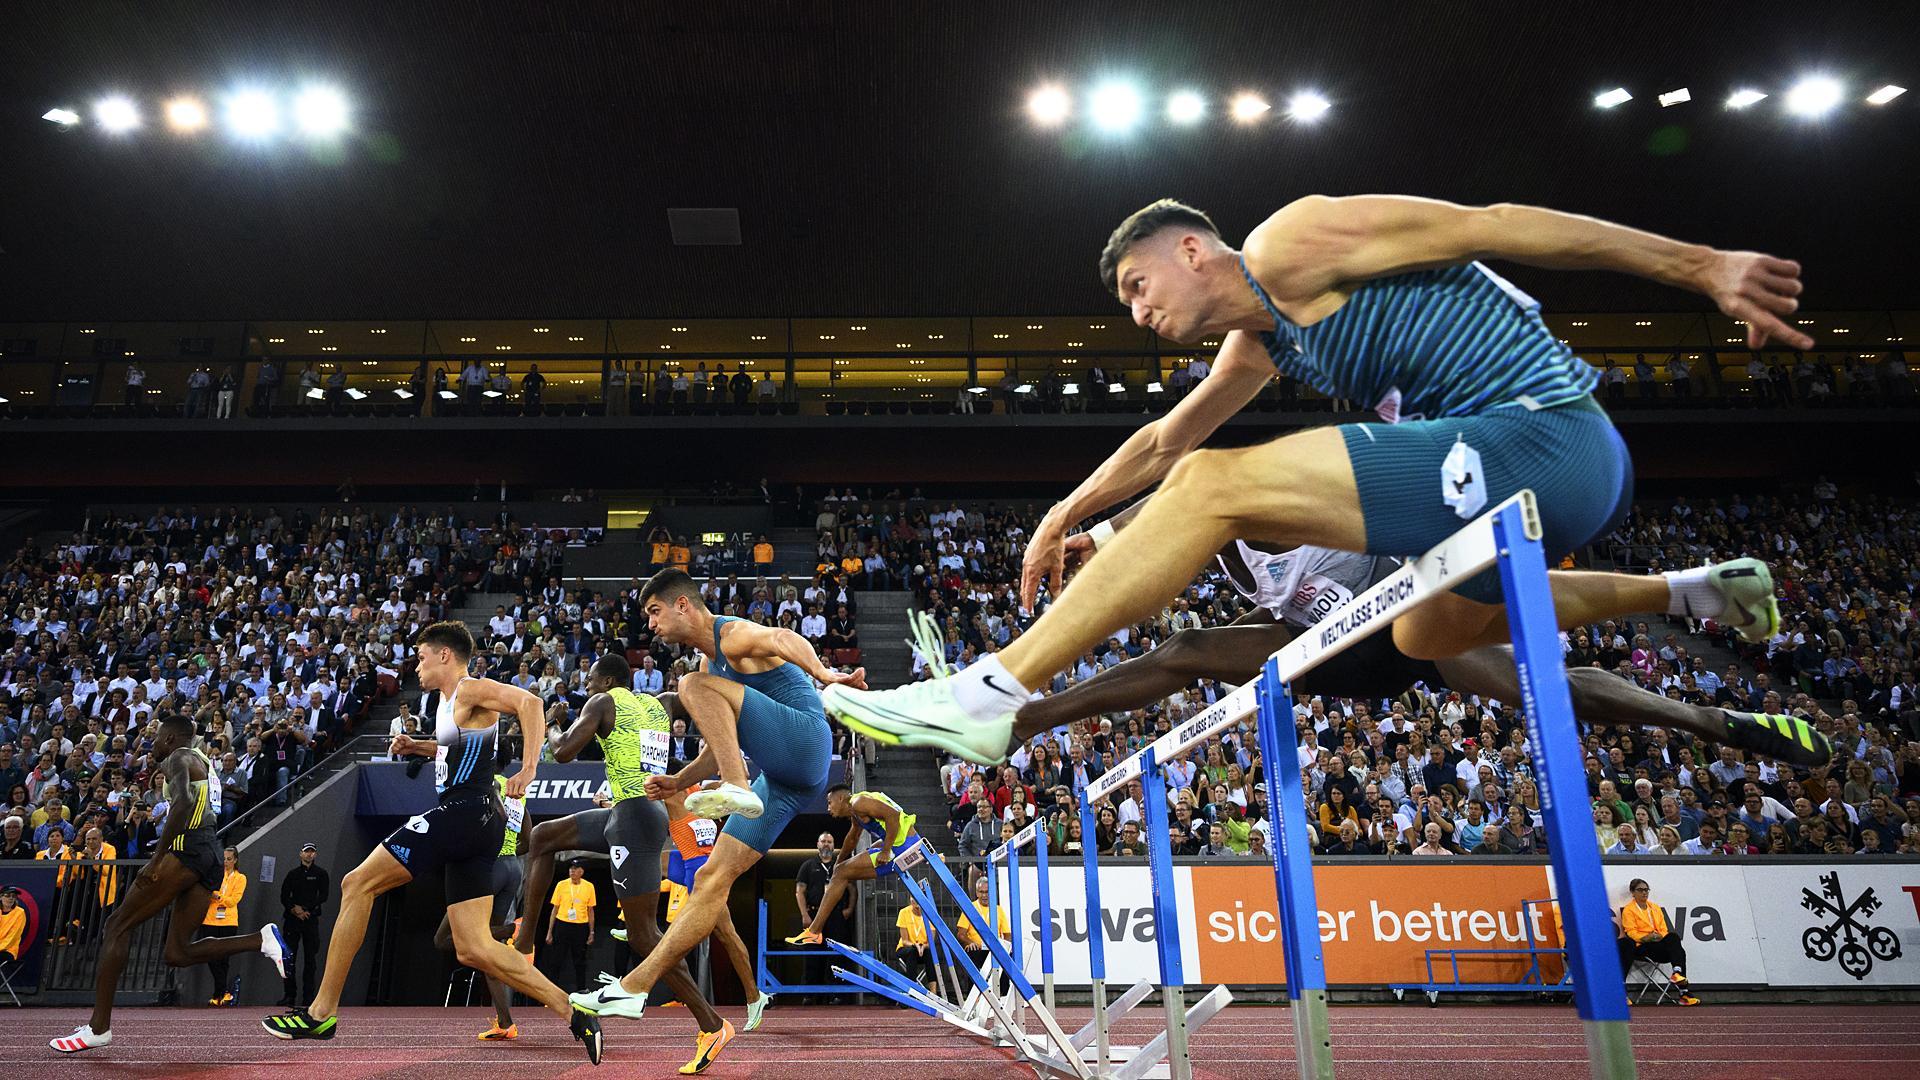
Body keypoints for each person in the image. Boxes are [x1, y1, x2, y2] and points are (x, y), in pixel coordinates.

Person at [821, 195, 1807, 764]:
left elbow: (1498, 221)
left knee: (1217, 485)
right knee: (1421, 629)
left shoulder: (1298, 242)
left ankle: (994, 694)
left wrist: (1702, 267)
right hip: (1533, 483)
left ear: (1193, 250)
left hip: (1544, 434)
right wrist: (1067, 511)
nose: (1136, 312)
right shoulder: (1261, 339)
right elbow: (1165, 440)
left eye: (1137, 286)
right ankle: (1690, 590)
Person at [991, 536, 1828, 767]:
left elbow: (1154, 525)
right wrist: (1089, 542)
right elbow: (1137, 535)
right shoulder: (1207, 537)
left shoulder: (1248, 503)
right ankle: (1029, 723)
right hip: (1329, 648)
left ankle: (1714, 714)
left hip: (1398, 617)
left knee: (1541, 682)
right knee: (1186, 646)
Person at [259, 621, 602, 1065]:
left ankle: (321, 1012)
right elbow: (452, 750)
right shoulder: (448, 705)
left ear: (444, 655)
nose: (415, 665)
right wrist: (416, 746)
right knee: (474, 947)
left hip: (463, 813)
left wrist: (530, 769)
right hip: (479, 824)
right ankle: (575, 1012)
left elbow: (531, 703)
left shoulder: (468, 688)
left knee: (356, 883)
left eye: (421, 656)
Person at [570, 569, 855, 1026]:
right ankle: (635, 987)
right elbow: (717, 745)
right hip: (786, 780)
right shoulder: (709, 670)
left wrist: (824, 673)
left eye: (655, 612)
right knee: (709, 879)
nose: (651, 625)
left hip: (805, 744)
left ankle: (737, 786)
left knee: (689, 686)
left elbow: (783, 636)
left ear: (683, 605)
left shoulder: (733, 636)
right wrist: (679, 782)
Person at [510, 656, 734, 1072]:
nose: (587, 685)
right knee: (542, 837)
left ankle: (712, 1023)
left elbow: (561, 753)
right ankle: (526, 942)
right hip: (623, 814)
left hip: (636, 819)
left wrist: (554, 719)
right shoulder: (662, 702)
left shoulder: (601, 702)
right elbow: (708, 705)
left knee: (644, 935)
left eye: (591, 679)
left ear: (609, 680)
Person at [50, 715, 289, 1053]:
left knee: (117, 925)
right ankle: (260, 939)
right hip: (210, 852)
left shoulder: (177, 757)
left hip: (185, 849)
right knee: (177, 952)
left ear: (173, 738)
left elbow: (186, 804)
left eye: (159, 737)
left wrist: (158, 856)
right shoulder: (200, 759)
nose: (154, 742)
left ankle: (98, 1027)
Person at [659, 771, 770, 1032]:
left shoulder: (675, 797)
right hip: (693, 867)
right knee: (650, 862)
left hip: (705, 876)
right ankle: (635, 924)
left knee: (727, 935)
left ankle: (754, 997)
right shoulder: (700, 788)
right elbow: (733, 780)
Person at [432, 771, 524, 1040]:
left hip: (488, 867)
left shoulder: (480, 781)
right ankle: (506, 1023)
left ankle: (510, 930)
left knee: (442, 938)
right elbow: (526, 835)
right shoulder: (516, 787)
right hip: (512, 868)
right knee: (488, 952)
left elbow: (478, 824)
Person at [785, 785, 919, 946]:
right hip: (902, 844)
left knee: (842, 874)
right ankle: (815, 931)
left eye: (829, 802)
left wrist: (886, 850)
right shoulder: (856, 812)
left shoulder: (859, 802)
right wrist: (838, 862)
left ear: (841, 798)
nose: (828, 808)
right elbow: (853, 837)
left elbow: (893, 815)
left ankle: (814, 931)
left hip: (904, 848)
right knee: (841, 871)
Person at [1617, 878, 1699, 1006]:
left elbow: (1663, 930)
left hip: (1657, 945)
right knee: (1626, 943)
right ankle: (1684, 992)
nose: (1644, 893)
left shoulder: (1655, 908)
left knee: (1673, 937)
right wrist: (1647, 937)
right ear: (1633, 892)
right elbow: (1631, 932)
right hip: (1641, 946)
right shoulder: (1629, 910)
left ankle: (1677, 974)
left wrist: (1658, 937)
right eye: (1640, 890)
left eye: (1646, 890)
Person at [277, 842, 329, 1007]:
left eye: (312, 852)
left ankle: (309, 997)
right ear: (301, 854)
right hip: (293, 920)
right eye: (307, 852)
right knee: (289, 958)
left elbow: (323, 896)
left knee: (310, 959)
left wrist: (306, 909)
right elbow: (284, 895)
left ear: (315, 854)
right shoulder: (293, 874)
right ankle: (289, 995)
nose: (309, 855)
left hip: (310, 920)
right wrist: (294, 909)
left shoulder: (321, 874)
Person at [201, 847, 247, 1005]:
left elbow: (233, 900)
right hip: (210, 919)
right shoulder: (216, 874)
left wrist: (218, 896)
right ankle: (223, 991)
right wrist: (217, 896)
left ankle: (218, 995)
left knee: (223, 958)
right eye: (224, 859)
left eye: (229, 859)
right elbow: (206, 891)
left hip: (228, 921)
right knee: (209, 955)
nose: (226, 862)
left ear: (235, 860)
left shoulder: (240, 878)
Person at [546, 860, 596, 991]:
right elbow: (554, 909)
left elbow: (590, 911)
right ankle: (551, 991)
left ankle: (581, 991)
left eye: (575, 869)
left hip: (580, 926)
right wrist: (549, 932)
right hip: (562, 924)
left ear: (581, 871)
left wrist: (591, 932)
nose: (572, 871)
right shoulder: (561, 885)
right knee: (556, 959)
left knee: (580, 961)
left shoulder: (589, 886)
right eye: (570, 869)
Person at [0, 886, 26, 967]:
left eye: (14, 896)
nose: (11, 898)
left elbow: (12, 938)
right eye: (7, 895)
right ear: (1, 897)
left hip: (8, 950)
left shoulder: (20, 913)